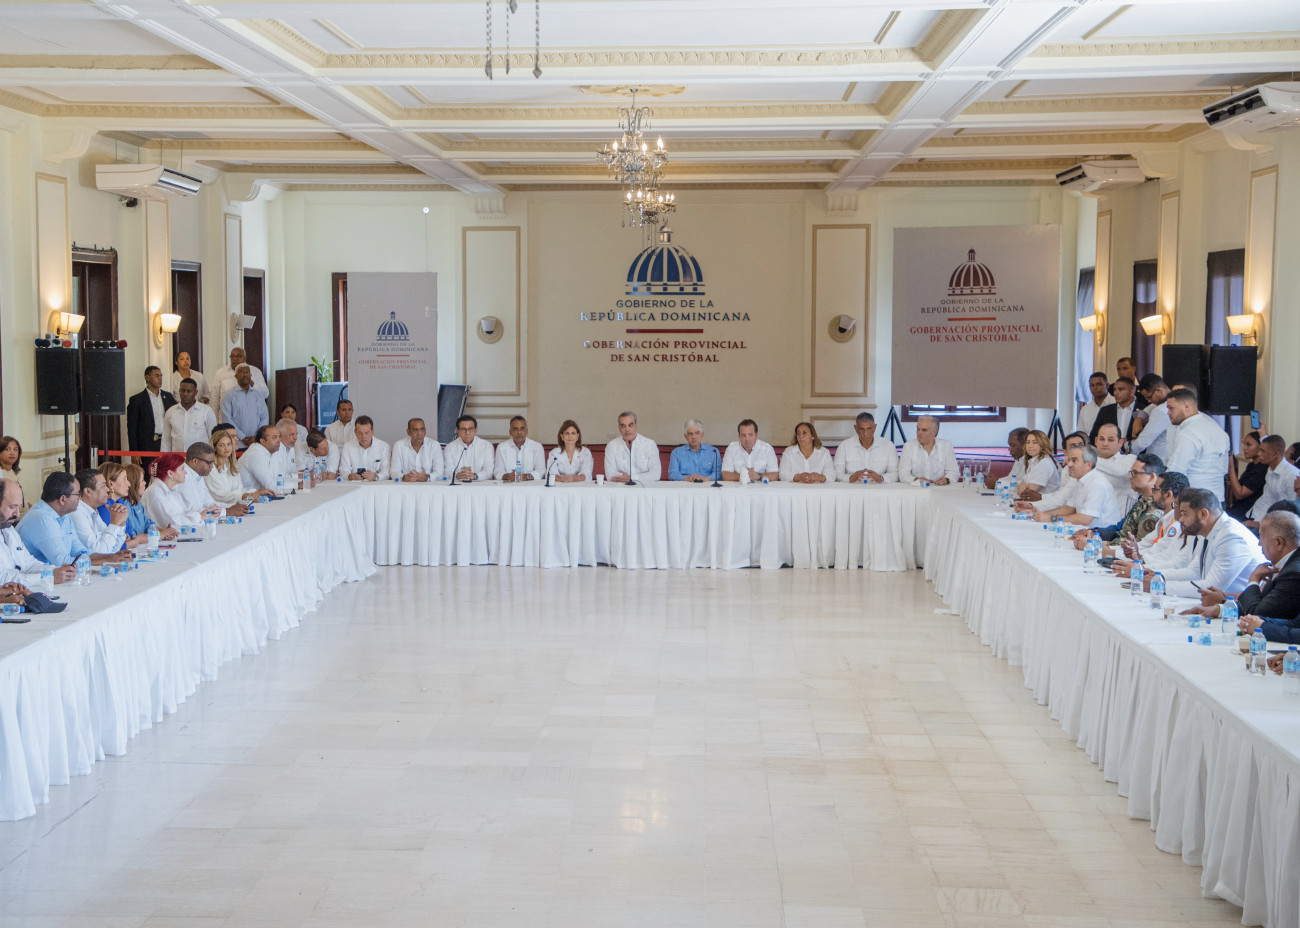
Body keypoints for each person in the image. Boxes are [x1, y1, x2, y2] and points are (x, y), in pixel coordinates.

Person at [1187, 511, 1300, 630]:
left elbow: (1257, 615)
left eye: (1261, 537)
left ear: (1279, 542)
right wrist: (1218, 610)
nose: (1259, 543)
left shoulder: (1293, 574)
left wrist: (1253, 580)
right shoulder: (1288, 564)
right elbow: (1263, 606)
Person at [1155, 487, 1264, 599]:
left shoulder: (1231, 537)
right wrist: (1159, 577)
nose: (1181, 520)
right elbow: (1195, 572)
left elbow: (1211, 588)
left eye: (1185, 514)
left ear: (1203, 514)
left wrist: (1161, 587)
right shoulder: (1208, 531)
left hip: (1239, 606)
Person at [18, 471, 126, 567]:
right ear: (63, 499)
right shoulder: (42, 519)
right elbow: (62, 562)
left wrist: (112, 557)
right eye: (78, 494)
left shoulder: (64, 515)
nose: (80, 497)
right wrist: (108, 560)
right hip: (38, 578)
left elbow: (80, 552)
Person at [1073, 453, 1164, 548]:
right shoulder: (1142, 501)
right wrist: (1093, 532)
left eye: (1135, 473)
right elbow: (1120, 528)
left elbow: (1138, 546)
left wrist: (1094, 545)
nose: (1130, 476)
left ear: (1151, 477)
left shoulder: (1156, 509)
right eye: (1130, 473)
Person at [0, 478, 74, 586]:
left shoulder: (7, 529)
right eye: (12, 507)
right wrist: (47, 577)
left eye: (18, 507)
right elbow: (2, 578)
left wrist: (55, 571)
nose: (17, 513)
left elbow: (27, 563)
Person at [1164, 386, 1231, 503]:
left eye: (1171, 408)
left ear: (1186, 406)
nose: (1168, 413)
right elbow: (1224, 468)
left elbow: (1175, 472)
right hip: (1218, 498)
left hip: (1195, 501)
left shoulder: (1188, 433)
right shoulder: (1215, 426)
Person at [1029, 444, 1120, 527]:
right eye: (1069, 460)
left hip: (1103, 536)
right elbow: (1069, 508)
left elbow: (1085, 519)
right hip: (1085, 531)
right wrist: (1041, 514)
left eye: (1074, 460)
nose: (1069, 464)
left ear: (1088, 465)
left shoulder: (1097, 484)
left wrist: (1051, 519)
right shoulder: (1078, 480)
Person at [69, 468, 128, 554]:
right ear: (88, 491)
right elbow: (99, 552)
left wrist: (121, 523)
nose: (108, 489)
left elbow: (113, 550)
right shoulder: (77, 513)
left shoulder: (94, 512)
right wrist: (114, 523)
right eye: (103, 486)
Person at [1021, 431, 1087, 505]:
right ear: (1065, 452)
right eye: (1073, 446)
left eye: (1081, 445)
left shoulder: (1091, 467)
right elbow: (1064, 496)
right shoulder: (1066, 470)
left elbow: (1027, 492)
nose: (1078, 448)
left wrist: (1041, 497)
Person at [142, 453, 203, 531]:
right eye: (182, 469)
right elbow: (173, 523)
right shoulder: (155, 492)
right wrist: (200, 516)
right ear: (170, 473)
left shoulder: (173, 492)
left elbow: (185, 513)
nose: (186, 472)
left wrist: (199, 516)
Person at [1246, 434, 1299, 524]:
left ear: (1275, 454)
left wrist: (1260, 525)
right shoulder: (1270, 470)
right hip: (1269, 520)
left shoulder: (1291, 475)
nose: (1259, 454)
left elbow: (1293, 511)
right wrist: (1258, 522)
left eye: (1263, 451)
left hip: (1285, 524)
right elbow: (1268, 500)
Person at [833, 412, 898, 484]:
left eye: (869, 429)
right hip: (852, 488)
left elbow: (895, 473)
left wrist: (881, 478)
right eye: (861, 429)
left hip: (879, 488)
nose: (865, 433)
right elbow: (837, 473)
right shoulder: (844, 446)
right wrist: (850, 478)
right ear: (855, 428)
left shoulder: (888, 446)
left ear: (874, 427)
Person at [126, 365, 177, 454]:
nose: (160, 379)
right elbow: (132, 429)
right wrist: (134, 452)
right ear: (147, 377)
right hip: (147, 445)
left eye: (161, 376)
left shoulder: (168, 397)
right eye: (156, 376)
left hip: (167, 443)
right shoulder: (137, 400)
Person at [119, 463, 177, 541]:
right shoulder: (124, 506)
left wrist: (165, 531)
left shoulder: (138, 503)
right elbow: (133, 536)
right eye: (142, 480)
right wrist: (160, 535)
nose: (145, 483)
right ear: (133, 484)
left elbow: (148, 525)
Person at [206, 430, 260, 509]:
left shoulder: (232, 465)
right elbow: (220, 495)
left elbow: (239, 489)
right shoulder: (210, 468)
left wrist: (255, 492)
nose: (226, 448)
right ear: (214, 448)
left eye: (229, 444)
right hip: (218, 509)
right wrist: (242, 496)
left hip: (235, 505)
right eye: (221, 445)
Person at [161, 377, 217, 453]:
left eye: (189, 391)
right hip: (177, 458)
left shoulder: (206, 411)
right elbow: (166, 440)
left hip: (200, 457)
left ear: (195, 392)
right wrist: (165, 458)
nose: (185, 394)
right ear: (179, 391)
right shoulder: (171, 412)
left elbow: (213, 437)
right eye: (182, 391)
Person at [899, 416, 959, 486]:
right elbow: (903, 474)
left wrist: (947, 479)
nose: (919, 433)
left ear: (934, 432)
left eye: (924, 430)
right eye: (918, 429)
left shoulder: (946, 446)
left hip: (940, 489)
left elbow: (954, 472)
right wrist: (916, 480)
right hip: (917, 488)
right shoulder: (908, 446)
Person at [604, 411, 661, 484]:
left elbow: (656, 474)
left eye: (630, 425)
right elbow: (610, 475)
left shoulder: (649, 444)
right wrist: (637, 477)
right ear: (619, 428)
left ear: (636, 426)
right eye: (623, 426)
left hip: (644, 488)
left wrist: (631, 477)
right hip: (620, 488)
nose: (627, 429)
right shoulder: (611, 446)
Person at [221, 363, 269, 449]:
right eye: (241, 372)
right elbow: (227, 419)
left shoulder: (258, 395)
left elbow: (264, 417)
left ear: (250, 376)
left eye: (247, 372)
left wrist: (257, 436)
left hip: (257, 442)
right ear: (236, 376)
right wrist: (242, 437)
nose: (245, 375)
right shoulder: (229, 395)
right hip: (237, 442)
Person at [210, 346, 268, 417]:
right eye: (232, 356)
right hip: (227, 418)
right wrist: (214, 420)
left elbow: (265, 394)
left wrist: (251, 383)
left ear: (245, 358)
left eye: (239, 356)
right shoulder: (220, 373)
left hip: (250, 417)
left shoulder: (255, 372)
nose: (235, 359)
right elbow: (214, 399)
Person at [174, 442, 226, 519]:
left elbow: (209, 503)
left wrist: (232, 506)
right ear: (195, 461)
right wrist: (226, 512)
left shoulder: (198, 473)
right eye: (209, 463)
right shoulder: (183, 476)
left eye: (213, 463)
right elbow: (193, 511)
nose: (211, 467)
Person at [1226, 430, 1268, 521]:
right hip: (1237, 509)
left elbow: (1239, 493)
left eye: (1249, 445)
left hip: (1247, 514)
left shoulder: (1262, 469)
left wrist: (1231, 466)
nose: (1244, 448)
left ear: (1260, 446)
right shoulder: (1251, 465)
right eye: (1244, 444)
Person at [1092, 423, 1136, 508]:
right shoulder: (1087, 463)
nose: (1105, 444)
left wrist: (1091, 460)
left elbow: (1121, 472)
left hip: (1120, 514)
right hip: (1090, 513)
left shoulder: (1129, 459)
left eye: (1110, 440)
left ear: (1120, 442)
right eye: (1102, 439)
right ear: (1096, 441)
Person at [1090, 377, 1141, 447]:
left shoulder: (1143, 410)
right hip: (1109, 451)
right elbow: (1094, 436)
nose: (1116, 393)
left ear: (1132, 391)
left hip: (1136, 452)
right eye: (1114, 389)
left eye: (1120, 389)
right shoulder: (1105, 411)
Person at [1131, 374, 1172, 461]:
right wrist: (1138, 420)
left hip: (1159, 459)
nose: (1149, 401)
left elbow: (1143, 442)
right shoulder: (1173, 402)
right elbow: (1149, 408)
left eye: (1149, 397)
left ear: (1159, 390)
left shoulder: (1160, 410)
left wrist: (1127, 450)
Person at [444, 415, 494, 483]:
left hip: (481, 485)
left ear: (476, 430)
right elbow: (447, 471)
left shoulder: (486, 446)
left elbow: (489, 471)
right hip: (457, 485)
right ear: (457, 430)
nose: (467, 432)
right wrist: (457, 475)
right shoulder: (450, 447)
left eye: (470, 429)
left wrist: (474, 476)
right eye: (463, 429)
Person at [493, 416, 545, 482]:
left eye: (522, 429)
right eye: (515, 429)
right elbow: (497, 471)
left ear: (527, 431)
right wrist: (507, 476)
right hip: (508, 485)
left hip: (530, 485)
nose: (519, 432)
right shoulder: (501, 447)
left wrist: (527, 476)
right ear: (510, 432)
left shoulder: (537, 447)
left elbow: (541, 470)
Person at [339, 416, 391, 481]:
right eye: (360, 433)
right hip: (354, 484)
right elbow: (343, 469)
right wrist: (350, 476)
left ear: (372, 432)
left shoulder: (384, 447)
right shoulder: (348, 446)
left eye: (366, 433)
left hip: (376, 484)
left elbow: (386, 472)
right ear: (355, 432)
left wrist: (375, 477)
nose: (363, 436)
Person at [392, 418, 444, 482]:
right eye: (415, 430)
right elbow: (394, 472)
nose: (419, 433)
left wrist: (427, 477)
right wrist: (404, 477)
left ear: (425, 431)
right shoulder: (399, 445)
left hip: (428, 485)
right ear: (408, 432)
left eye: (422, 429)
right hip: (406, 485)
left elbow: (439, 472)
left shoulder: (434, 445)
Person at [239, 425, 284, 492]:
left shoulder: (269, 452)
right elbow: (271, 487)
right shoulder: (255, 454)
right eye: (274, 437)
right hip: (249, 496)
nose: (279, 441)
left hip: (261, 495)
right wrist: (296, 485)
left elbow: (278, 478)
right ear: (263, 442)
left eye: (279, 437)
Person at [1017, 430, 1060, 496]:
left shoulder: (1044, 463)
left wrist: (1022, 486)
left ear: (1042, 445)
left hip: (1046, 501)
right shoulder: (1034, 461)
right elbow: (1020, 488)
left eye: (1035, 442)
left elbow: (1027, 493)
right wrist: (1021, 486)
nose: (1030, 446)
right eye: (1028, 442)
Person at [1077, 371, 1114, 436]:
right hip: (1090, 442)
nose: (1095, 388)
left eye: (1099, 384)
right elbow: (1081, 433)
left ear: (1107, 385)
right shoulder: (1085, 409)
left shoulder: (1116, 404)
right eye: (1092, 385)